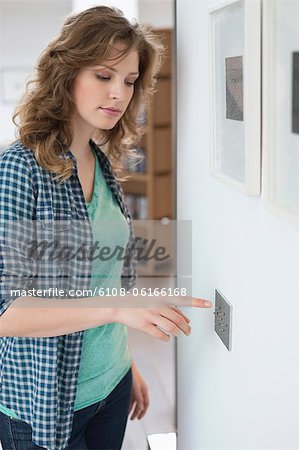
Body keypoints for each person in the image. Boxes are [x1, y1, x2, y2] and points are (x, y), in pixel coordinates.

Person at [0, 6, 212, 450]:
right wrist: (120, 308)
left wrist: (126, 362)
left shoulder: (100, 163)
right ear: (66, 74)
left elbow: (105, 279)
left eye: (130, 81)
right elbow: (6, 314)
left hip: (111, 385)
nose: (118, 93)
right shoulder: (19, 170)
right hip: (45, 405)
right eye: (103, 75)